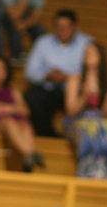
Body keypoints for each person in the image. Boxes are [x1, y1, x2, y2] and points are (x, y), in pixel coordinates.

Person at [24, 9, 91, 137]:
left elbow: (92, 71)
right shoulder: (43, 42)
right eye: (58, 27)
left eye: (66, 27)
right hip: (48, 88)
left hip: (75, 90)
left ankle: (78, 136)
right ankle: (47, 136)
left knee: (87, 98)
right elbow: (29, 72)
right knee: (33, 97)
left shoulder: (87, 44)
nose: (62, 31)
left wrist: (68, 77)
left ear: (75, 27)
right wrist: (47, 75)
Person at [63, 41, 107, 180]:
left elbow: (105, 114)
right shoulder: (75, 79)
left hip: (99, 120)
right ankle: (86, 173)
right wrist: (85, 96)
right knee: (89, 129)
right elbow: (70, 111)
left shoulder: (106, 81)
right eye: (87, 53)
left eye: (93, 52)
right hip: (77, 120)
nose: (89, 55)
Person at [0, 55, 42, 172]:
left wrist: (4, 108)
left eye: (2, 69)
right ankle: (29, 154)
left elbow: (25, 110)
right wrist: (9, 109)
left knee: (25, 125)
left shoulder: (13, 91)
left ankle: (29, 157)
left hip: (18, 123)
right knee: (8, 122)